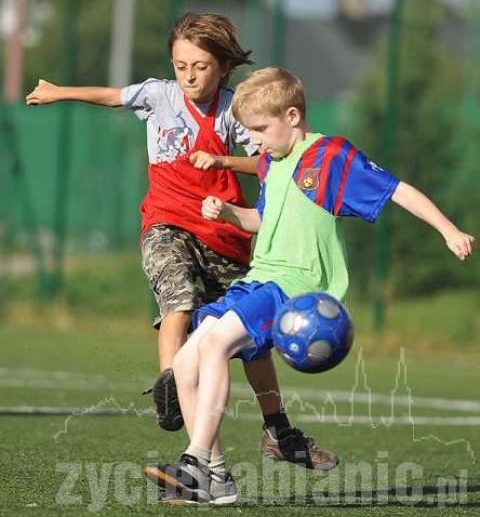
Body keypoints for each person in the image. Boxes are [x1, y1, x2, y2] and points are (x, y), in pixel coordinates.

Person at [145, 67, 476, 505]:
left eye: (261, 129)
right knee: (187, 363)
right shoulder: (270, 162)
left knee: (216, 345)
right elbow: (262, 221)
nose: (255, 141)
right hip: (258, 278)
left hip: (292, 284)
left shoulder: (330, 157)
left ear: (293, 115)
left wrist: (448, 229)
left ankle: (196, 460)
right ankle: (215, 481)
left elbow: (396, 190)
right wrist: (228, 213)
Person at [26, 15, 329, 474]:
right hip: (166, 224)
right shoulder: (158, 95)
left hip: (225, 238)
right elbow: (111, 97)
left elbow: (271, 161)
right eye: (180, 65)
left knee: (251, 345)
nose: (188, 75)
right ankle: (172, 389)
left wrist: (224, 158)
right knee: (179, 302)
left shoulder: (234, 110)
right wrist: (57, 91)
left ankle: (277, 429)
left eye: (201, 66)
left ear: (223, 67)